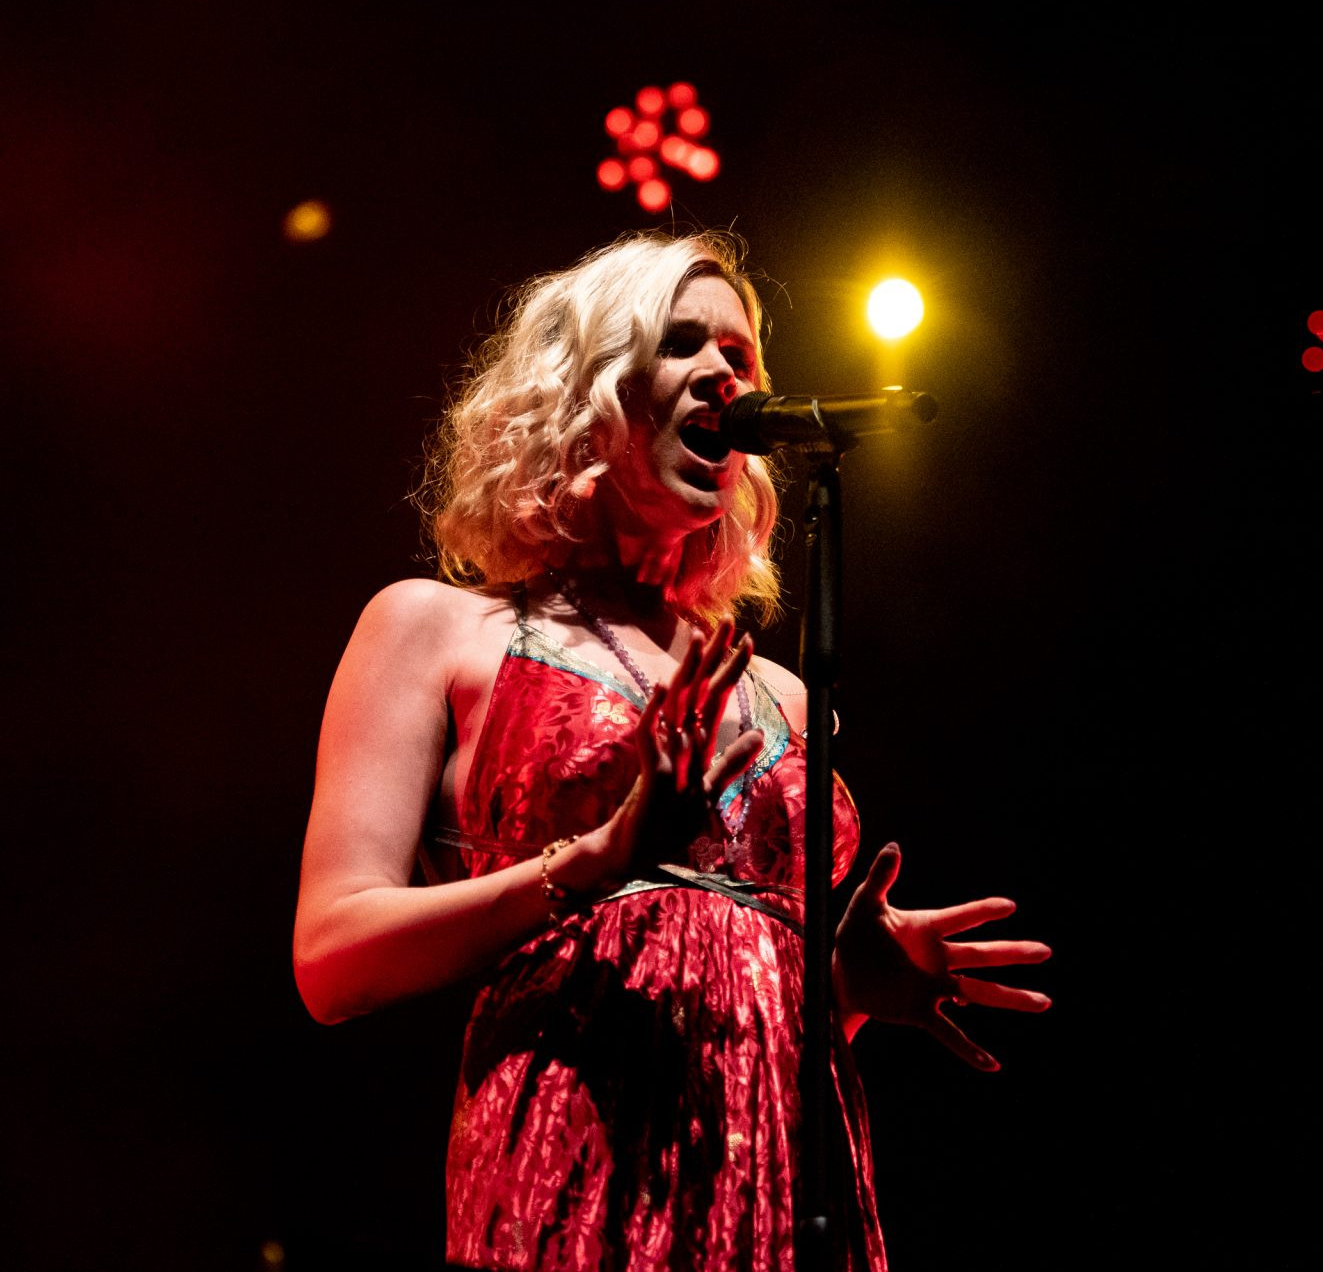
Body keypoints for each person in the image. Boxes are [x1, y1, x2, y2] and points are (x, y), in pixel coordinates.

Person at [292, 229, 1050, 1271]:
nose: (724, 375)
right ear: (586, 386)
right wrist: (598, 858)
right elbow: (331, 957)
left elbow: (726, 976)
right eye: (681, 343)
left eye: (740, 355)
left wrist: (843, 983)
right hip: (576, 1155)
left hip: (786, 1167)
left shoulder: (782, 691)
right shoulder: (438, 628)